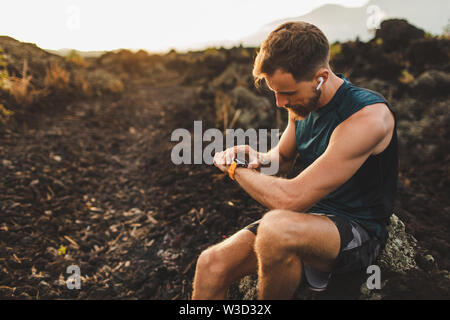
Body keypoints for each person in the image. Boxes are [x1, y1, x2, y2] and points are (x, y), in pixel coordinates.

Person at [192, 21, 398, 300]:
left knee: (276, 227)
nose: (279, 102)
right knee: (210, 264)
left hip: (357, 231)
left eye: (287, 93)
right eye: (274, 91)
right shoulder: (303, 103)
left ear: (321, 77)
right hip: (309, 220)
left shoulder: (367, 118)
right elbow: (283, 159)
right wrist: (255, 159)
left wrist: (234, 170)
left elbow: (291, 200)